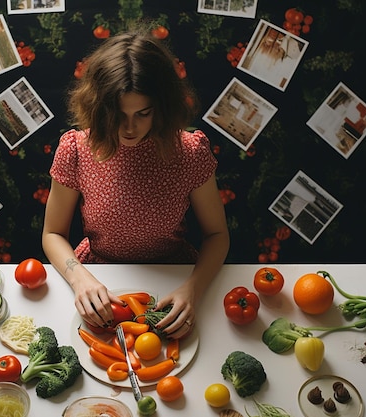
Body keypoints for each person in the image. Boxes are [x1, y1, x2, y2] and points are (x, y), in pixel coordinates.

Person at [42, 28, 230, 339]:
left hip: (174, 276)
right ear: (100, 108)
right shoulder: (76, 148)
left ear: (163, 106)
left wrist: (192, 289)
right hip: (98, 276)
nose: (129, 128)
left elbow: (217, 234)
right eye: (118, 114)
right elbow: (52, 233)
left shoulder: (191, 151)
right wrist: (80, 280)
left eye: (143, 114)